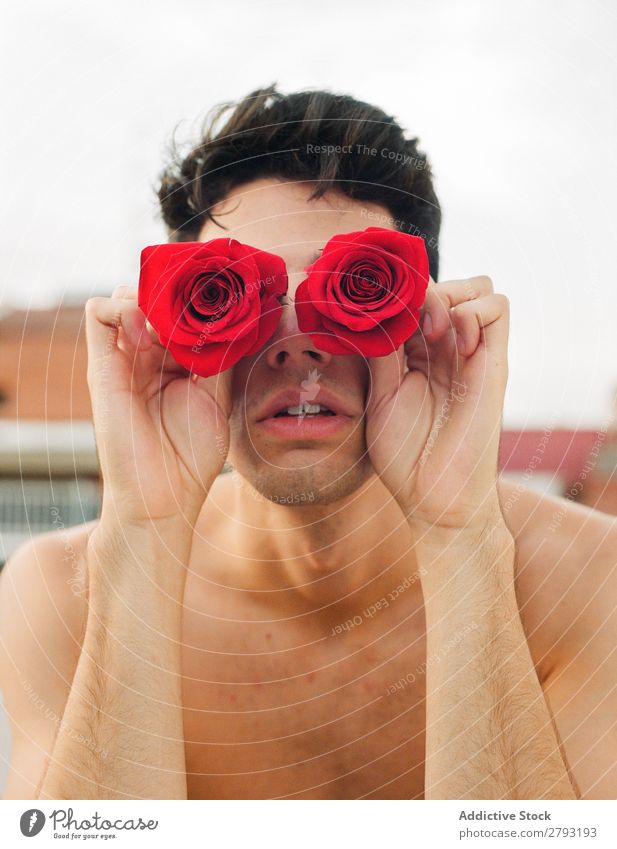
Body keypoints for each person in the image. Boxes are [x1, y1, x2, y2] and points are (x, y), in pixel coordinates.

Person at [1, 86, 615, 801]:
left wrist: (461, 535)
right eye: (236, 292)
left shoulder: (587, 581)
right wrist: (144, 531)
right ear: (175, 331)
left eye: (345, 290)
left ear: (422, 318)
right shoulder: (63, 592)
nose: (296, 345)